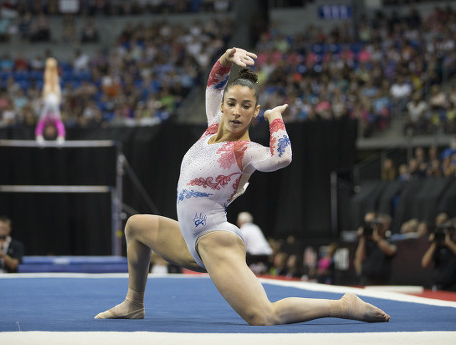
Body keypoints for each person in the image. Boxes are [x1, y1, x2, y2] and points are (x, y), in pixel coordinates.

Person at [95, 47, 389, 325]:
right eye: (232, 104)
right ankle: (134, 304)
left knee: (264, 316)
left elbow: (281, 157)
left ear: (254, 111)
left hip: (214, 238)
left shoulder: (245, 150)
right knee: (135, 226)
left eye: (246, 106)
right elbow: (214, 82)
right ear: (222, 106)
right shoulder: (211, 127)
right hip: (189, 240)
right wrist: (226, 57)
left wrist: (275, 120)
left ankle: (342, 304)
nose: (237, 111)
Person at [354, 213, 397, 285]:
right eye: (377, 224)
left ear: (387, 226)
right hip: (366, 280)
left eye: (382, 225)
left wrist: (377, 238)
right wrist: (362, 239)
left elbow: (391, 251)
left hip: (383, 281)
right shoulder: (367, 241)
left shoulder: (390, 240)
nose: (379, 227)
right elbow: (360, 258)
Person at [35, 57, 66, 144]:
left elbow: (39, 126)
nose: (50, 130)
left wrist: (39, 136)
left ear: (46, 130)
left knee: (48, 81)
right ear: (54, 130)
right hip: (56, 98)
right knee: (55, 81)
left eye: (48, 132)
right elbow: (60, 126)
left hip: (47, 97)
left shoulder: (44, 121)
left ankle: (49, 65)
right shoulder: (56, 122)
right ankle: (53, 65)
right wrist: (61, 136)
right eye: (52, 132)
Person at [421, 220, 456, 291]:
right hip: (437, 287)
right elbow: (424, 263)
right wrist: (434, 243)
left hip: (452, 288)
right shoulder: (438, 246)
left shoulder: (452, 245)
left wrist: (448, 242)